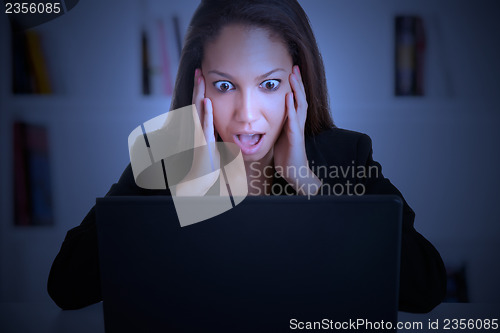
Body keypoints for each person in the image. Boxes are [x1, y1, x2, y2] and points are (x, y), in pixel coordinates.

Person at [47, 0, 446, 313]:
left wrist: (309, 185)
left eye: (268, 84)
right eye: (225, 85)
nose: (247, 114)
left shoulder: (345, 155)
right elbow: (67, 286)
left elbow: (425, 287)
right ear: (198, 85)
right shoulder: (164, 155)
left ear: (298, 81)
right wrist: (194, 192)